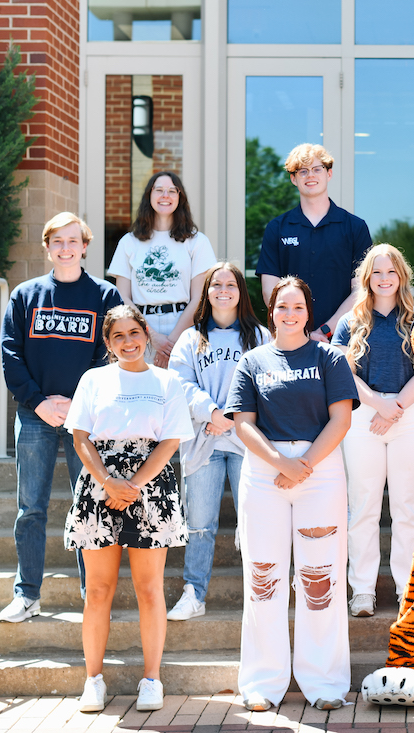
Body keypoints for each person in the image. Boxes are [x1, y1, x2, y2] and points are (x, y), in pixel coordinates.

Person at [225, 277, 358, 712]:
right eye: (283, 306)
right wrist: (281, 464)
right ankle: (263, 682)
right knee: (264, 579)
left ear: (308, 311)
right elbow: (243, 422)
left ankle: (324, 682)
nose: (290, 313)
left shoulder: (330, 358)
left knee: (321, 579)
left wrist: (304, 466)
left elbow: (340, 420)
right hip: (265, 475)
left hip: (319, 474)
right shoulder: (252, 361)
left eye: (298, 306)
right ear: (272, 311)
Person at [65, 305, 193, 714]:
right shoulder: (93, 379)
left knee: (149, 589)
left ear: (146, 334)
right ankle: (93, 681)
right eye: (118, 336)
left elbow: (170, 441)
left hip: (150, 486)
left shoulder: (167, 381)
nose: (128, 341)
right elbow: (80, 438)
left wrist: (133, 486)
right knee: (98, 590)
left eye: (134, 333)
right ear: (108, 343)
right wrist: (107, 483)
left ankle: (152, 680)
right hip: (99, 484)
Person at [0, 212, 122, 623]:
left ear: (85, 246)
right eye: (58, 241)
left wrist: (77, 404)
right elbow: (11, 355)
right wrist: (39, 403)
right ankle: (27, 594)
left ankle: (94, 596)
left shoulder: (105, 297)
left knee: (89, 504)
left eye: (74, 241)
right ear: (48, 247)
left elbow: (112, 354)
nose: (66, 248)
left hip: (86, 421)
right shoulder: (25, 295)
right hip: (35, 417)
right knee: (30, 508)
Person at [166, 263, 269, 622]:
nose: (223, 290)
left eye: (231, 284)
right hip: (203, 442)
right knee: (200, 523)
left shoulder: (258, 336)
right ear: (207, 293)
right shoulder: (190, 339)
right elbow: (180, 385)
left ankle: (261, 594)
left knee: (255, 521)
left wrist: (233, 418)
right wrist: (211, 413)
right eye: (216, 285)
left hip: (247, 442)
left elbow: (270, 384)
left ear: (241, 291)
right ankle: (194, 593)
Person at [332, 244, 414, 619]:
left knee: (407, 507)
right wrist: (379, 404)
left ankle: (408, 590)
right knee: (364, 507)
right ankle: (362, 590)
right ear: (367, 278)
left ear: (401, 276)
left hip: (409, 417)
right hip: (363, 419)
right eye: (377, 273)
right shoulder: (351, 321)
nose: (384, 279)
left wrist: (397, 407)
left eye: (391, 272)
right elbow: (344, 373)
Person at [256, 143, 372, 343]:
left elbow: (360, 290)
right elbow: (270, 291)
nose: (310, 175)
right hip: (291, 339)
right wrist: (297, 331)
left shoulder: (355, 227)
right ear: (293, 179)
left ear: (329, 174)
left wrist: (325, 330)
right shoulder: (277, 228)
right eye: (303, 171)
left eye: (317, 169)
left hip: (343, 340)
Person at [108, 171, 217, 368]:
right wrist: (151, 335)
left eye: (172, 191)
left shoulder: (196, 241)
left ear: (180, 197)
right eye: (159, 190)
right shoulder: (129, 242)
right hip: (138, 327)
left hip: (183, 324)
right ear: (149, 196)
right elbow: (122, 297)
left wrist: (172, 341)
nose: (165, 195)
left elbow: (199, 298)